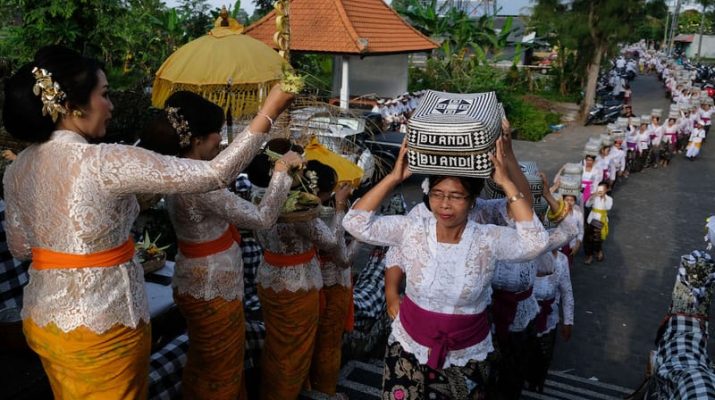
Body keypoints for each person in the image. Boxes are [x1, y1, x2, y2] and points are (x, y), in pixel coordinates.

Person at [1, 45, 294, 399]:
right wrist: (269, 111)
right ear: (73, 105)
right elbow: (215, 174)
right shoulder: (103, 161)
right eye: (104, 95)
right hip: (101, 322)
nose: (110, 107)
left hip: (44, 319)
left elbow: (20, 248)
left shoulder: (18, 169)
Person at [343, 135, 549, 399]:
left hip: (466, 355)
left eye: (456, 196)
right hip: (407, 348)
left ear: (473, 200)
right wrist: (394, 177)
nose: (445, 205)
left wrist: (506, 182)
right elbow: (355, 223)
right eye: (438, 195)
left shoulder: (487, 238)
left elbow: (536, 242)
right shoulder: (413, 228)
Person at [138, 91, 303, 400]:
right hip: (214, 287)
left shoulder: (174, 171)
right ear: (198, 139)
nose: (219, 140)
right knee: (222, 371)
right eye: (215, 132)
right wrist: (282, 175)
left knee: (205, 362)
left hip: (195, 279)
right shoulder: (200, 182)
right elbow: (262, 217)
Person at [248, 144, 351, 400]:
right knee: (293, 355)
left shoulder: (257, 198)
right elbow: (330, 243)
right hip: (298, 284)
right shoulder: (297, 206)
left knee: (275, 347)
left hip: (268, 276)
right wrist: (339, 210)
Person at [308, 160, 356, 399]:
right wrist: (360, 236)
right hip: (332, 284)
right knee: (329, 343)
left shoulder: (298, 209)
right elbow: (343, 258)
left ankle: (309, 387)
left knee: (311, 341)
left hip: (310, 284)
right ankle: (325, 391)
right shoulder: (324, 216)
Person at [525, 247, 574, 393]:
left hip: (549, 316)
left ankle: (538, 381)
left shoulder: (562, 260)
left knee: (545, 355)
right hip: (526, 316)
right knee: (526, 352)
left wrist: (568, 321)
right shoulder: (527, 256)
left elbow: (566, 291)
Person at [584, 183, 613, 264]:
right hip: (592, 220)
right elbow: (587, 205)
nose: (601, 191)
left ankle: (598, 250)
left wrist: (603, 197)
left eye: (603, 189)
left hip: (601, 221)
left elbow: (608, 207)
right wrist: (592, 197)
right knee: (588, 239)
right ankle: (589, 255)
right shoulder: (594, 196)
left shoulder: (609, 199)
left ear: (606, 190)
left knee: (598, 239)